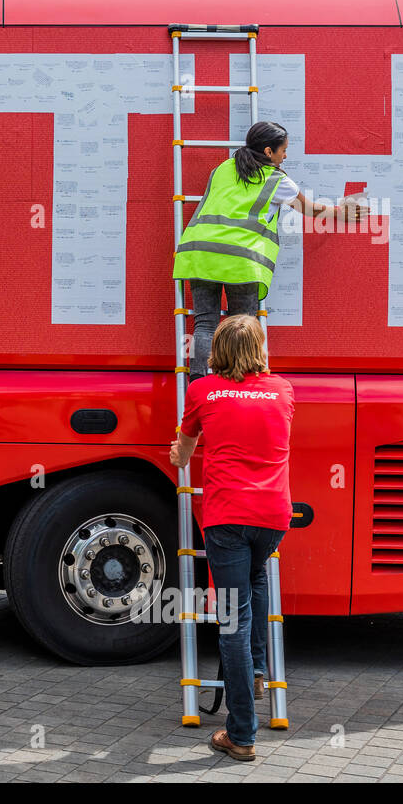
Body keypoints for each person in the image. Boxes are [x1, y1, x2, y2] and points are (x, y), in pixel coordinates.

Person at [169, 314, 294, 762]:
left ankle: (240, 734)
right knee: (257, 580)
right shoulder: (282, 391)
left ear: (214, 352)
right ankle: (260, 669)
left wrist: (177, 449)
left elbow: (183, 454)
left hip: (226, 518)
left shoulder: (201, 391)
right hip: (274, 517)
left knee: (231, 623)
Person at [173, 120, 368, 380]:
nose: (285, 156)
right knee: (241, 325)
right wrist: (340, 213)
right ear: (268, 152)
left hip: (199, 253)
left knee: (204, 324)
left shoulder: (222, 168)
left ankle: (199, 385)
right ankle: (234, 385)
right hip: (240, 260)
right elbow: (307, 208)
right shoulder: (277, 180)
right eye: (283, 150)